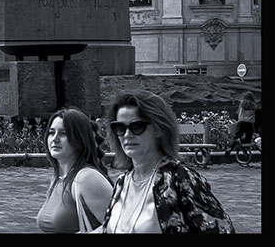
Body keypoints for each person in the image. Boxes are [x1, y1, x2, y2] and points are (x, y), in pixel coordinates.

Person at [97, 90, 234, 233]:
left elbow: (223, 229)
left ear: (158, 129)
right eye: (119, 127)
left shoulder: (180, 179)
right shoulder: (122, 182)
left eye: (136, 126)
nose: (127, 134)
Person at [35, 107, 113, 233]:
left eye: (63, 133)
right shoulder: (58, 178)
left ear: (80, 138)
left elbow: (118, 226)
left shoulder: (86, 178)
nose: (55, 139)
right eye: (51, 132)